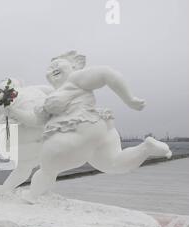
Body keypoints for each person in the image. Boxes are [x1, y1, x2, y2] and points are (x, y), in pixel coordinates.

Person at [22, 51, 171, 203]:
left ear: (74, 66)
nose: (52, 70)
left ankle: (33, 196)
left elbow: (106, 73)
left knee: (47, 166)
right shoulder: (56, 92)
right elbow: (35, 120)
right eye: (49, 69)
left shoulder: (74, 79)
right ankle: (146, 148)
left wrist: (129, 99)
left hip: (80, 127)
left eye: (57, 64)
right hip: (100, 129)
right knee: (113, 164)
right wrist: (14, 110)